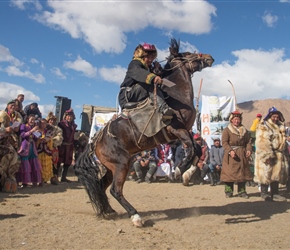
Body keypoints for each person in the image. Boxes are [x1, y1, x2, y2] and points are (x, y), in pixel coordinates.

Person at [118, 43, 174, 121]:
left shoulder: (148, 68)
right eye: (148, 57)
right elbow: (140, 73)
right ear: (141, 56)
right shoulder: (134, 64)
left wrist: (157, 69)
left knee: (162, 91)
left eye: (152, 57)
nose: (151, 60)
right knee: (150, 85)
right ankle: (164, 109)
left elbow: (152, 75)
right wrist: (154, 78)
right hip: (127, 95)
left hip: (137, 93)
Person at [254, 107, 288, 201]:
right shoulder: (264, 126)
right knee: (266, 173)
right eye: (274, 116)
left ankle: (275, 193)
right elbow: (262, 142)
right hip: (268, 153)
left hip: (278, 153)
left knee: (275, 174)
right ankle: (264, 193)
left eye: (277, 117)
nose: (276, 118)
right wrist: (267, 155)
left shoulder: (280, 127)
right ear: (270, 116)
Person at [221, 110, 252, 198]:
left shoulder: (244, 130)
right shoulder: (227, 130)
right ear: (231, 120)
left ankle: (242, 191)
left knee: (243, 172)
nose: (237, 121)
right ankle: (228, 191)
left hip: (242, 154)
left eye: (238, 119)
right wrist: (230, 151)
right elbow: (224, 142)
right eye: (235, 119)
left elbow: (248, 141)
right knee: (229, 173)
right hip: (231, 155)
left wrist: (249, 149)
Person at [0, 100, 23, 192]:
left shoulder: (17, 116)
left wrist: (15, 127)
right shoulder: (2, 114)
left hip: (12, 140)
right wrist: (5, 129)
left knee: (12, 160)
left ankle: (7, 181)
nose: (13, 107)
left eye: (15, 106)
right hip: (2, 140)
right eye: (11, 105)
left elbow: (17, 129)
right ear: (7, 106)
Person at [16, 114, 42, 187]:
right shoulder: (23, 126)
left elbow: (35, 138)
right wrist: (32, 131)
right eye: (31, 119)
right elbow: (23, 135)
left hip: (32, 147)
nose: (32, 121)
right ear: (27, 119)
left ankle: (35, 181)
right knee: (25, 165)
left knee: (34, 164)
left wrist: (38, 133)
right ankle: (24, 182)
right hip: (25, 147)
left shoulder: (33, 127)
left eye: (34, 120)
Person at [56, 109, 77, 182]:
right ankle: (55, 177)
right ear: (65, 116)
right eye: (68, 116)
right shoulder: (61, 124)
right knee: (58, 161)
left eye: (71, 116)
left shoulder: (73, 126)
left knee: (67, 162)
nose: (69, 118)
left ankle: (63, 177)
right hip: (62, 145)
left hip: (70, 146)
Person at [46, 112, 63, 185]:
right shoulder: (44, 127)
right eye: (50, 120)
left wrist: (51, 140)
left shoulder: (57, 129)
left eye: (53, 120)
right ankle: (44, 178)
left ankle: (54, 177)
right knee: (45, 162)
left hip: (53, 147)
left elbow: (60, 137)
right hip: (44, 147)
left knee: (55, 163)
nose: (51, 121)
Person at [36, 118, 54, 185]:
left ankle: (44, 179)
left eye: (45, 123)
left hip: (46, 151)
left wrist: (46, 139)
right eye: (42, 123)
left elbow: (50, 138)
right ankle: (39, 179)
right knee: (39, 166)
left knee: (46, 166)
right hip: (39, 151)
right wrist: (38, 139)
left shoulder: (49, 131)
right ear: (39, 123)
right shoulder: (37, 131)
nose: (43, 125)